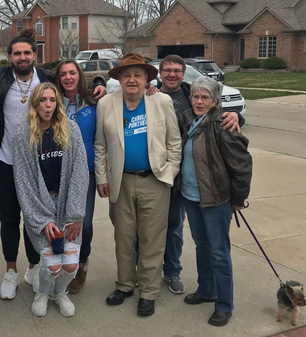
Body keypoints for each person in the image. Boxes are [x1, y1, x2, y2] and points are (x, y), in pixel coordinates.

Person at [0, 28, 106, 299]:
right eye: (17, 53)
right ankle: (11, 271)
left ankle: (32, 266)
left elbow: (72, 79)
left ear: (34, 55)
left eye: (27, 52)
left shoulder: (47, 78)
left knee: (34, 218)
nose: (23, 57)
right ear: (10, 57)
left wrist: (100, 81)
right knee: (8, 218)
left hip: (41, 163)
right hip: (7, 160)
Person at [94, 53, 181, 316]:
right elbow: (101, 145)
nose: (132, 80)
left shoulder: (162, 101)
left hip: (154, 181)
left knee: (152, 240)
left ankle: (149, 292)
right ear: (119, 79)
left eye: (138, 75)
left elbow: (174, 142)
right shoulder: (106, 104)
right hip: (120, 180)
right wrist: (102, 177)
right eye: (127, 75)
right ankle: (124, 285)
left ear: (147, 79)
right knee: (123, 237)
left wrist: (170, 171)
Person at [155, 54, 244, 294]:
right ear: (159, 73)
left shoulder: (190, 96)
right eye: (167, 70)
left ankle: (174, 273)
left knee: (181, 231)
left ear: (184, 74)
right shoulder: (150, 97)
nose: (172, 74)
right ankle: (203, 290)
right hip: (165, 178)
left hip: (200, 189)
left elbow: (221, 121)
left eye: (177, 70)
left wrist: (237, 115)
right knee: (157, 230)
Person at [177, 76, 252, 327]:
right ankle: (206, 290)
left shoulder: (222, 125)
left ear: (215, 101)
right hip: (190, 196)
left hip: (216, 200)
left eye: (205, 97)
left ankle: (224, 304)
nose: (199, 101)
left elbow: (241, 165)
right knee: (202, 246)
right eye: (196, 96)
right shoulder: (188, 119)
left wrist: (239, 198)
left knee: (219, 252)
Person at [12, 82, 89, 317]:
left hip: (68, 206)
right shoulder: (23, 135)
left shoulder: (70, 129)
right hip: (41, 208)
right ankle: (43, 293)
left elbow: (80, 172)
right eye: (43, 100)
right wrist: (42, 220)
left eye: (52, 100)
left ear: (58, 103)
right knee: (53, 265)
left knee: (70, 265)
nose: (48, 105)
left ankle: (60, 293)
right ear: (35, 104)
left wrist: (76, 216)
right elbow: (23, 183)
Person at [53, 60, 97, 294]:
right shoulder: (52, 103)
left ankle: (81, 265)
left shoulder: (94, 102)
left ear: (79, 75)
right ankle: (60, 264)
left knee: (85, 225)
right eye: (63, 74)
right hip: (57, 175)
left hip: (86, 174)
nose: (68, 77)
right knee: (59, 224)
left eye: (72, 73)